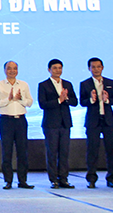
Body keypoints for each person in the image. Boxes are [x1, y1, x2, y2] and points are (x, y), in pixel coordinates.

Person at [0, 61, 34, 189]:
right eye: (9, 68)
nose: (12, 71)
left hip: (21, 120)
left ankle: (23, 180)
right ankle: (8, 181)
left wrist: (19, 98)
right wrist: (8, 99)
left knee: (22, 152)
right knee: (7, 151)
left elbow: (30, 102)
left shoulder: (24, 84)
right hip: (6, 121)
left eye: (15, 68)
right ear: (5, 70)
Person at [80, 57, 113, 188]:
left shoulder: (110, 82)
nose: (96, 69)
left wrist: (107, 100)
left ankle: (111, 178)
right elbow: (82, 102)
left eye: (98, 66)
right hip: (93, 121)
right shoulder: (85, 84)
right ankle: (91, 179)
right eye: (93, 67)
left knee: (111, 150)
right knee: (92, 150)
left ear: (102, 67)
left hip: (108, 121)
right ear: (89, 69)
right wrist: (91, 99)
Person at [38, 58, 77, 189]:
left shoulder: (67, 84)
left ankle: (64, 179)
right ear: (49, 70)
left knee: (64, 152)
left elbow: (75, 102)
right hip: (51, 123)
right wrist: (58, 100)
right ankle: (53, 179)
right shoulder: (43, 85)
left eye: (60, 68)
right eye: (54, 68)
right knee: (52, 152)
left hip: (65, 123)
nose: (57, 70)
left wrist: (66, 99)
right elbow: (43, 104)